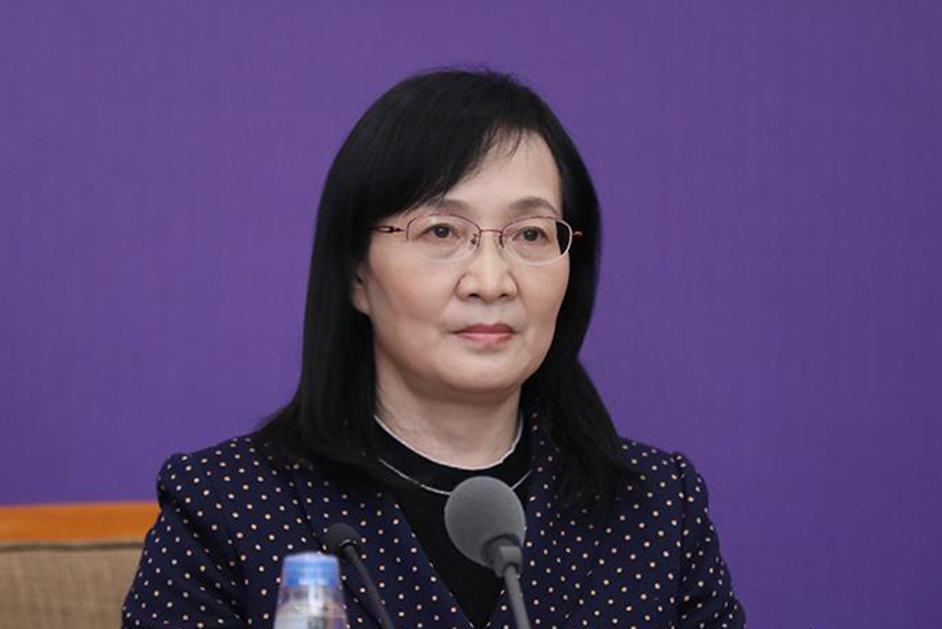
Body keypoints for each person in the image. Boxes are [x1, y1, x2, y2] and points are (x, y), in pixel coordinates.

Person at [122, 69, 746, 629]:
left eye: (530, 234)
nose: (491, 281)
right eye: (442, 230)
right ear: (356, 274)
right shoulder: (229, 507)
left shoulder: (657, 509)